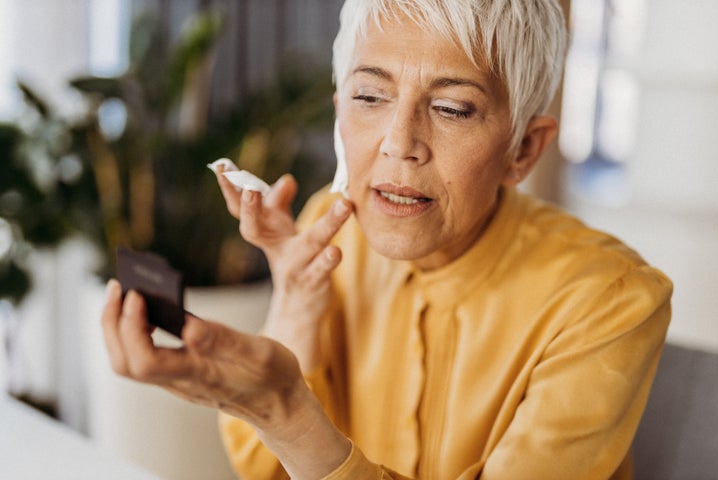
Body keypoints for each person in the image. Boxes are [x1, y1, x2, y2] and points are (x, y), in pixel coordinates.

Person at [101, 0, 673, 478]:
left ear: (523, 149)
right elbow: (265, 470)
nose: (399, 143)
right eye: (370, 97)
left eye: (452, 109)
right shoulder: (334, 225)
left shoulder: (610, 300)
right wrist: (296, 300)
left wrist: (287, 412)